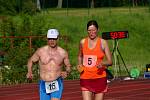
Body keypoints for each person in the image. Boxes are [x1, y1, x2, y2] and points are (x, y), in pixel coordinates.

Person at [26, 29, 71, 100]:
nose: (52, 41)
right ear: (47, 39)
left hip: (56, 82)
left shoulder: (63, 53)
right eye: (50, 39)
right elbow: (30, 61)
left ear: (58, 38)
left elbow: (68, 66)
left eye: (54, 38)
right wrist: (29, 71)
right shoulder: (40, 51)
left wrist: (67, 72)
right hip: (43, 83)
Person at [77, 20, 112, 100]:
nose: (91, 32)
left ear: (97, 30)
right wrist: (79, 65)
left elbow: (110, 61)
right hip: (86, 77)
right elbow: (80, 56)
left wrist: (103, 63)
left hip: (99, 78)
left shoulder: (103, 43)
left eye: (93, 30)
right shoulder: (83, 42)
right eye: (89, 30)